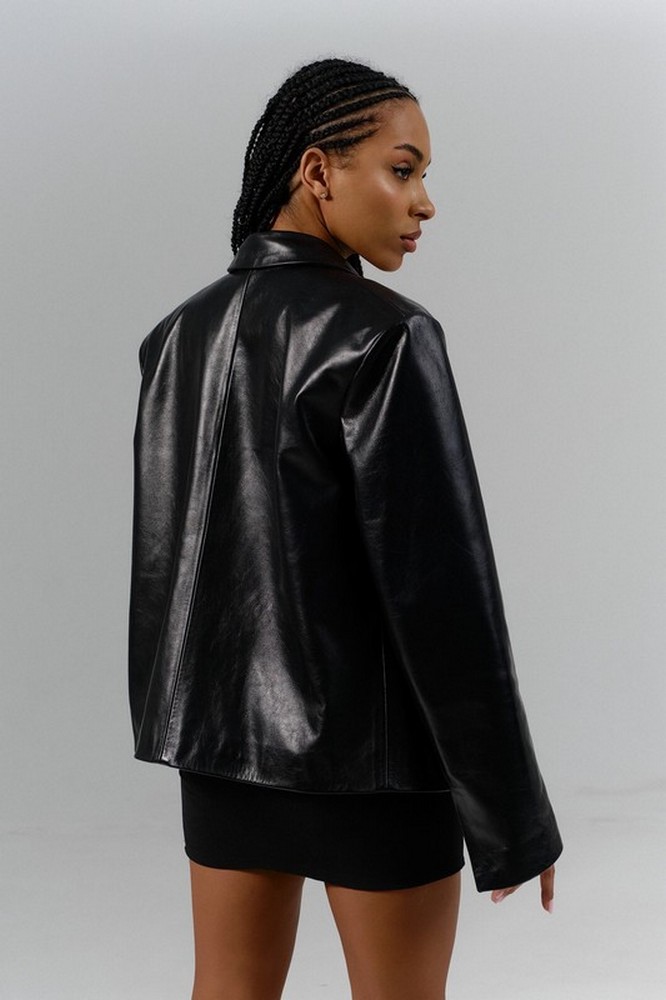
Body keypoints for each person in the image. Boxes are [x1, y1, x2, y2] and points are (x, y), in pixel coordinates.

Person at [128, 58, 562, 1000]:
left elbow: (174, 563)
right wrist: (513, 815)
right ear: (318, 172)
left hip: (219, 754)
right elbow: (442, 595)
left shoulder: (176, 337)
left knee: (227, 990)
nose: (425, 202)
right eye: (403, 171)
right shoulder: (388, 336)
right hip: (373, 766)